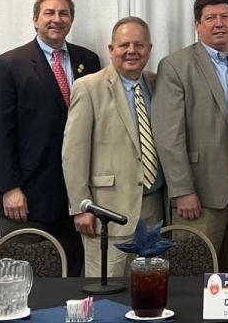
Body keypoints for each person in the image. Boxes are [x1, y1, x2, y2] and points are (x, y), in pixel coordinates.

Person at [0, 0, 101, 276]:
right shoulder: (8, 65)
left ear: (71, 20)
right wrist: (9, 188)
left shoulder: (89, 61)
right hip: (27, 199)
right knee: (27, 283)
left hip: (76, 199)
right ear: (35, 20)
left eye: (64, 13)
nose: (56, 19)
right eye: (49, 13)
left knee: (72, 281)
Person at [151, 0, 228, 270]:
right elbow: (168, 136)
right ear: (197, 25)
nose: (218, 23)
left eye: (224, 16)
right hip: (200, 193)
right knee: (195, 272)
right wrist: (182, 189)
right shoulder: (176, 66)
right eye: (210, 18)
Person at [62, 17, 166, 276]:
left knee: (150, 285)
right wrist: (81, 207)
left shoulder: (159, 84)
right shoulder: (88, 87)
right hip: (106, 211)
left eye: (139, 45)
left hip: (153, 207)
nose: (132, 51)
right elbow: (73, 153)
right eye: (124, 45)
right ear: (111, 50)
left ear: (150, 49)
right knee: (107, 286)